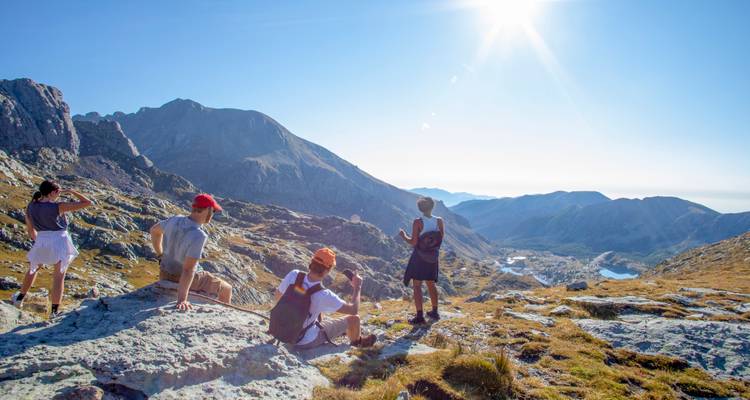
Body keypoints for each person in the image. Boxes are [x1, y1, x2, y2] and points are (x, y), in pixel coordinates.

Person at [10, 180, 92, 318]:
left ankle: (19, 298)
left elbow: (30, 231)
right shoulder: (58, 207)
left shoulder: (31, 206)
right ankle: (54, 312)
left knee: (33, 268)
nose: (59, 194)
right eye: (58, 192)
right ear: (52, 192)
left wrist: (40, 242)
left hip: (41, 239)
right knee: (59, 276)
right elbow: (87, 202)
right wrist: (72, 192)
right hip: (59, 241)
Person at [274, 248, 376, 349]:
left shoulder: (294, 274)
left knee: (320, 314)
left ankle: (340, 331)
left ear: (312, 261)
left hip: (279, 329)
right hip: (304, 340)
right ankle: (358, 343)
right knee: (354, 319)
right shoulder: (323, 295)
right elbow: (353, 310)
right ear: (328, 270)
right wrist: (357, 287)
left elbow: (278, 296)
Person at [150, 193, 232, 310]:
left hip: (164, 273)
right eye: (213, 211)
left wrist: (160, 254)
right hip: (182, 278)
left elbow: (154, 231)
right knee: (227, 288)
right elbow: (188, 270)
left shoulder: (175, 219)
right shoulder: (199, 235)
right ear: (207, 210)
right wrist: (182, 299)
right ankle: (225, 316)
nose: (212, 215)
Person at [399, 196, 445, 324]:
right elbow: (441, 237)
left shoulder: (418, 222)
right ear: (432, 206)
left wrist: (403, 236)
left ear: (420, 208)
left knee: (417, 285)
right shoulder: (439, 221)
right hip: (432, 256)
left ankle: (419, 316)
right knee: (431, 284)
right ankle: (435, 312)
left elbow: (413, 242)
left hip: (419, 257)